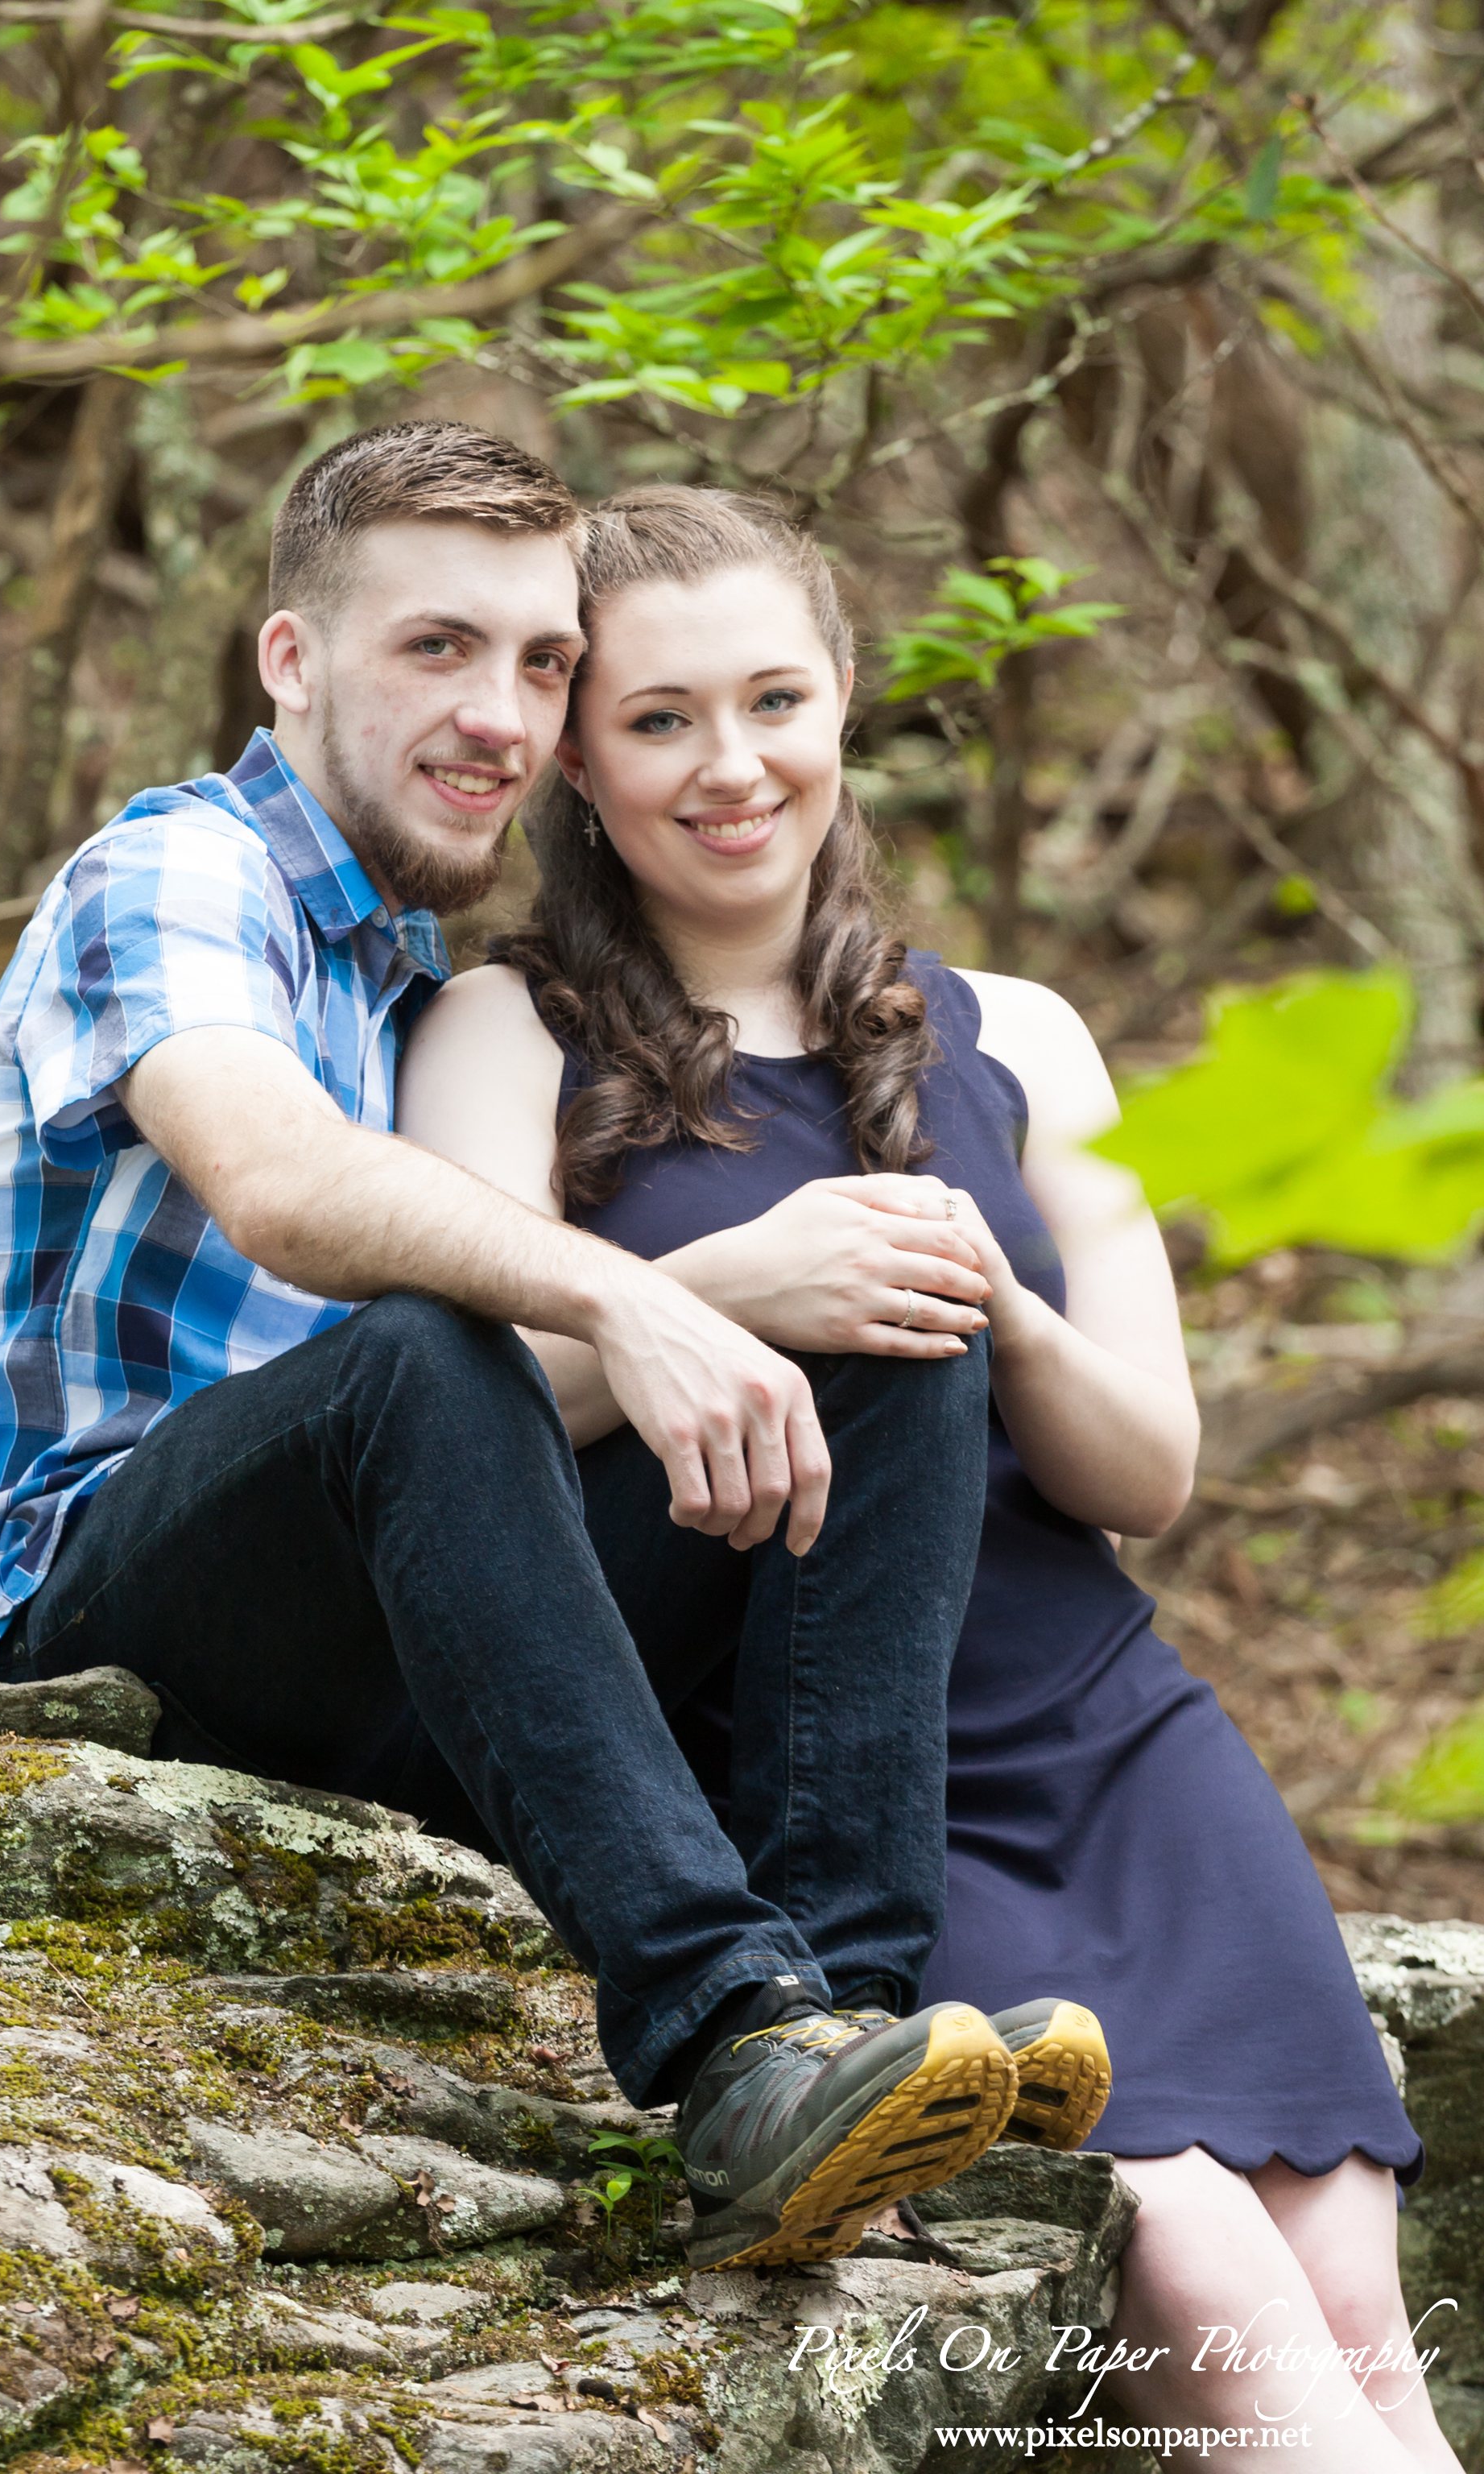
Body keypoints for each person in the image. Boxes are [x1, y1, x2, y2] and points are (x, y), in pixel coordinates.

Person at [0, 417, 1102, 2276]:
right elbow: (287, 1189)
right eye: (436, 648)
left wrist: (761, 1304)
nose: (501, 714)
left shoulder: (401, 966)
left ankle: (849, 2034)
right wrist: (632, 1292)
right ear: (291, 660)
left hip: (364, 1638)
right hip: (83, 1609)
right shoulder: (181, 874)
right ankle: (727, 2030)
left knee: (891, 1322)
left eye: (542, 663)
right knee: (428, 1350)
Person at [398, 483, 1457, 2471]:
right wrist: (720, 1284)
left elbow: (1145, 1468)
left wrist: (1000, 1310)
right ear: (574, 757)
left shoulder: (1027, 1039)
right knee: (1200, 2266)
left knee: (1350, 2292)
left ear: (845, 698)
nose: (733, 767)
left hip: (1113, 1735)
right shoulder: (495, 1029)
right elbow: (458, 1421)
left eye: (776, 699)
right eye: (659, 720)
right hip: (828, 1752)